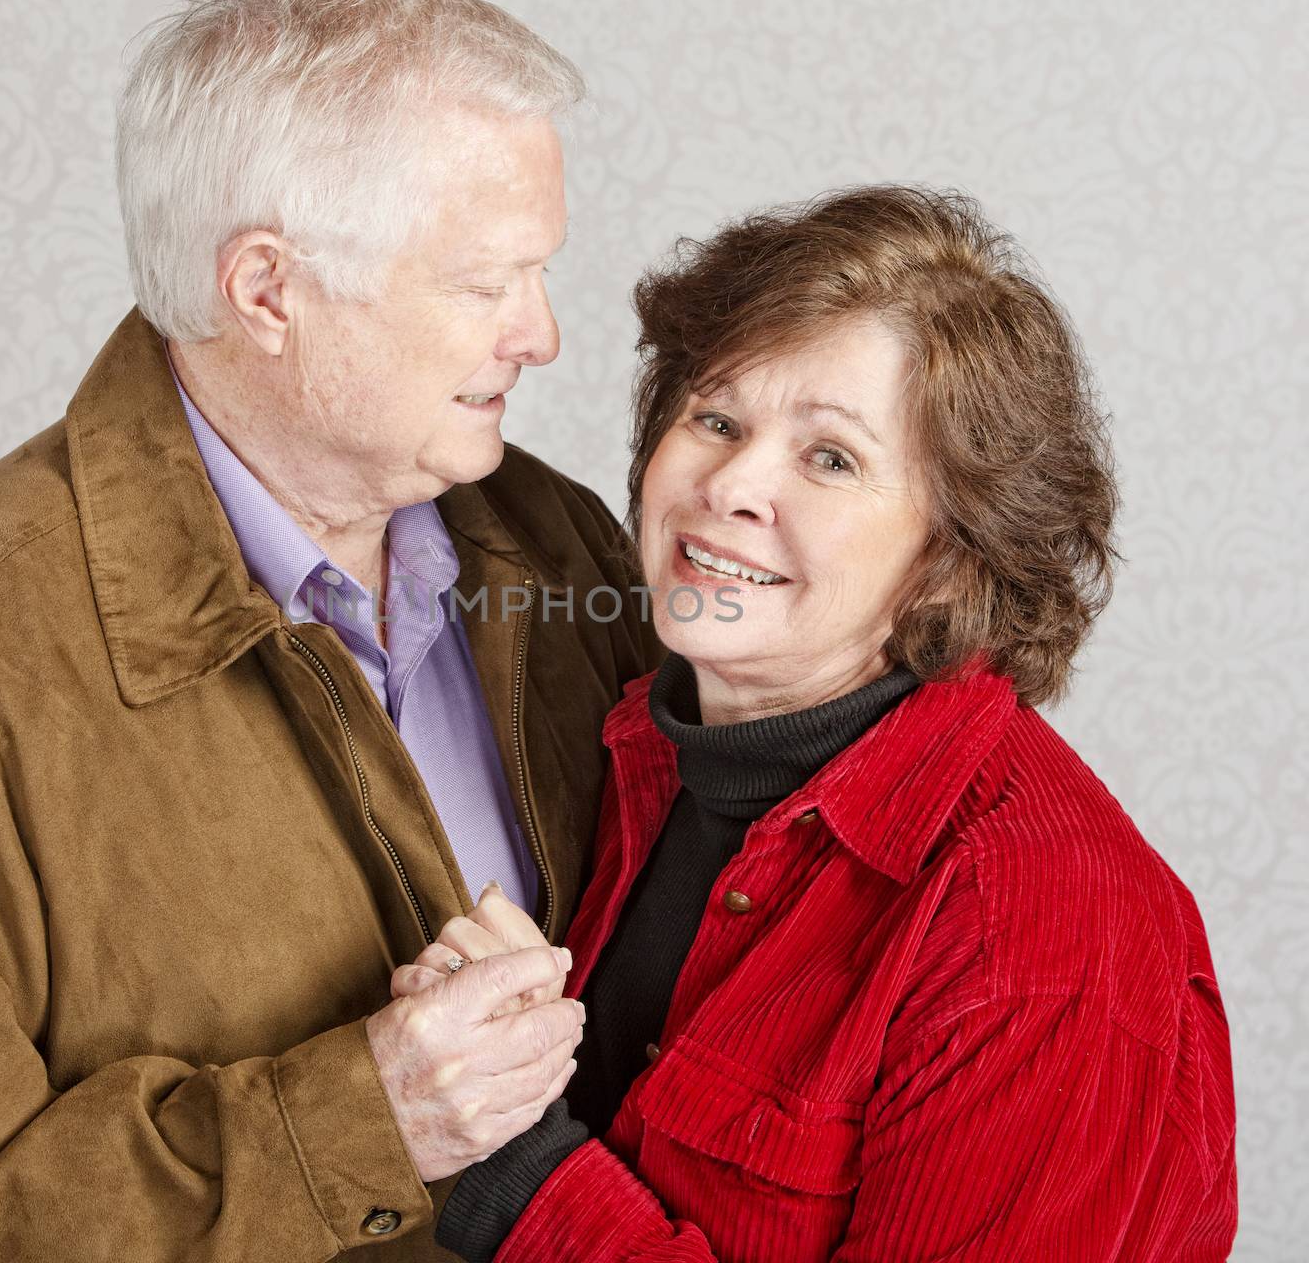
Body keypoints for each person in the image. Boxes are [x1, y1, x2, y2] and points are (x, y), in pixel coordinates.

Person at [0, 0, 658, 1262]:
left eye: (540, 271)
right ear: (266, 290)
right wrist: (364, 1120)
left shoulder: (560, 540)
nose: (542, 333)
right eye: (482, 282)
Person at [395, 186, 1240, 1260]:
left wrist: (515, 1167)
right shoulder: (641, 748)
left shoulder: (1045, 931)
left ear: (951, 555)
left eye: (830, 458)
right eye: (715, 418)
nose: (733, 483)